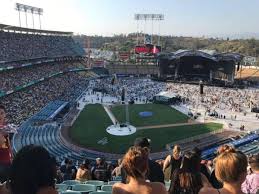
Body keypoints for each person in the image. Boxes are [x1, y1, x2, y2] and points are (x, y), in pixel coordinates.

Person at [0, 105, 12, 183]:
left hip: (7, 162)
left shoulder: (4, 127)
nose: (0, 116)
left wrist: (11, 157)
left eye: (1, 113)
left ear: (5, 114)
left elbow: (7, 145)